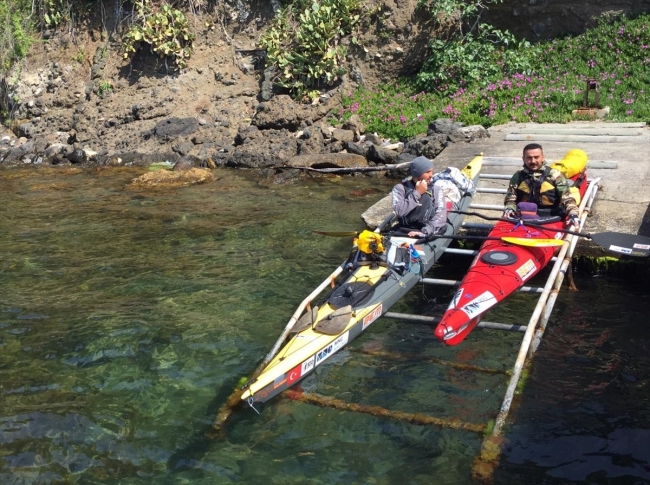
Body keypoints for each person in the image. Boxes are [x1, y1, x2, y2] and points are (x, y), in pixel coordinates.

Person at [503, 143, 580, 230]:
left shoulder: (555, 175)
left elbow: (567, 197)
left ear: (542, 157)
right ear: (523, 159)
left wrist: (573, 213)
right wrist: (509, 208)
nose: (533, 161)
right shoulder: (517, 177)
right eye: (529, 158)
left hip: (551, 216)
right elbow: (510, 198)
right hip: (523, 216)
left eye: (536, 157)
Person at [391, 156, 440, 238]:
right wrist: (417, 193)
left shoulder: (435, 189)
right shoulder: (399, 188)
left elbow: (440, 213)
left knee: (442, 226)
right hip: (405, 229)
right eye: (428, 172)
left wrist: (425, 231)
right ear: (418, 174)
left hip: (427, 229)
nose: (431, 175)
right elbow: (399, 211)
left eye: (432, 171)